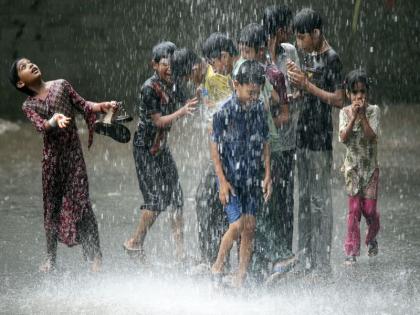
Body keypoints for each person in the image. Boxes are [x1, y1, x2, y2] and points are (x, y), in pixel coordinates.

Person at [9, 57, 119, 272]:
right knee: (52, 209)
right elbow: (41, 126)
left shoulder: (61, 84)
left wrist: (102, 106)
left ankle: (95, 255)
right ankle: (51, 257)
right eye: (23, 67)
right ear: (21, 83)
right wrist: (54, 120)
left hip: (73, 158)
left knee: (83, 205)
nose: (31, 65)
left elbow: (83, 105)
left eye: (30, 62)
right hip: (52, 163)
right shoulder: (28, 105)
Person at [123, 42, 198, 263]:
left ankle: (180, 254)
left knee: (176, 197)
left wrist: (203, 95)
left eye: (172, 63)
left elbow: (189, 101)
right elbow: (157, 121)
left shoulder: (174, 82)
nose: (169, 68)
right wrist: (182, 111)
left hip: (161, 148)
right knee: (155, 201)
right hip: (145, 149)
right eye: (164, 64)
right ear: (154, 65)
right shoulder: (149, 88)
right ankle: (134, 242)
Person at [287, 8, 344, 274]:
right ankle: (304, 258)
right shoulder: (309, 57)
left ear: (316, 33)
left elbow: (338, 100)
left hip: (320, 140)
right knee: (305, 198)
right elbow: (308, 93)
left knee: (321, 201)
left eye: (302, 38)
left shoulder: (332, 59)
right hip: (303, 136)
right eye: (297, 39)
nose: (299, 44)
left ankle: (322, 265)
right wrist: (297, 89)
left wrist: (307, 86)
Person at [232, 22, 290, 280]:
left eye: (249, 51)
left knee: (263, 208)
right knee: (254, 211)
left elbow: (275, 103)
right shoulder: (243, 72)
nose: (245, 55)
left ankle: (270, 261)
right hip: (248, 150)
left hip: (265, 147)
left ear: (260, 50)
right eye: (242, 50)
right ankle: (261, 265)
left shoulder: (263, 74)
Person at [210, 60, 272, 287]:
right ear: (236, 84)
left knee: (249, 228)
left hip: (252, 178)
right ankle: (217, 267)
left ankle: (240, 277)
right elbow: (214, 146)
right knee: (236, 226)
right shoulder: (224, 112)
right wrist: (222, 182)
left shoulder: (259, 109)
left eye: (257, 92)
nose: (254, 96)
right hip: (232, 181)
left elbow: (265, 142)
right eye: (250, 92)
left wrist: (268, 175)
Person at [261, 4, 301, 277]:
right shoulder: (261, 59)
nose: (289, 32)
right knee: (269, 201)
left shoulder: (288, 53)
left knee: (286, 201)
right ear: (279, 29)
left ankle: (285, 255)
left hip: (287, 142)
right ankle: (269, 258)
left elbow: (297, 84)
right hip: (268, 144)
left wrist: (294, 96)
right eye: (285, 27)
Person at [195, 33, 238, 267]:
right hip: (223, 150)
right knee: (207, 200)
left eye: (213, 63)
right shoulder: (219, 76)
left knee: (219, 203)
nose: (212, 68)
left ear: (223, 57)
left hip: (235, 155)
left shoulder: (238, 75)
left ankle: (221, 265)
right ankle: (215, 262)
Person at [339, 69, 380, 265]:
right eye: (354, 93)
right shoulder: (344, 113)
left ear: (367, 93)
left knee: (369, 210)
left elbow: (372, 137)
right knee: (354, 210)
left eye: (362, 92)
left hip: (369, 170)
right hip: (352, 169)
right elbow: (343, 138)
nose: (359, 97)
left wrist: (363, 116)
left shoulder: (374, 111)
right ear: (348, 94)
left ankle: (371, 237)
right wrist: (354, 117)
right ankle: (351, 250)